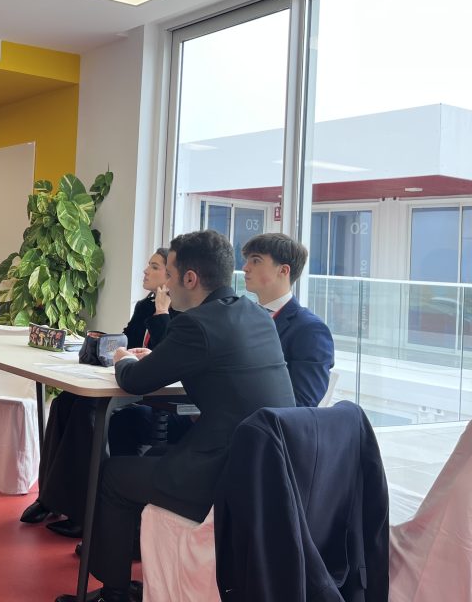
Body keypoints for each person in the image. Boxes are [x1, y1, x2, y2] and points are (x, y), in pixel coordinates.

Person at [61, 230, 296, 602]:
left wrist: (123, 359)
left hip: (223, 475)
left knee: (113, 476)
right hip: (272, 470)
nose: (166, 285)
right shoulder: (255, 314)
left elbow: (136, 381)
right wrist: (155, 359)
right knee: (151, 455)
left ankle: (114, 592)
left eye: (169, 275)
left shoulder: (196, 323)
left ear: (190, 278)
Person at [20, 249, 177, 538]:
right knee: (65, 401)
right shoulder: (145, 305)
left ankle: (82, 512)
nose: (145, 271)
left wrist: (162, 313)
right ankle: (49, 498)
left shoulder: (177, 312)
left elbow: (167, 354)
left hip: (152, 394)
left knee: (87, 410)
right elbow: (126, 340)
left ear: (170, 277)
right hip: (126, 381)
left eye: (154, 267)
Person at [242, 232, 335, 407]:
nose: (245, 267)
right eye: (247, 260)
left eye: (255, 261)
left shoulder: (310, 330)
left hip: (262, 421)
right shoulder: (242, 316)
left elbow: (302, 403)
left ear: (283, 270)